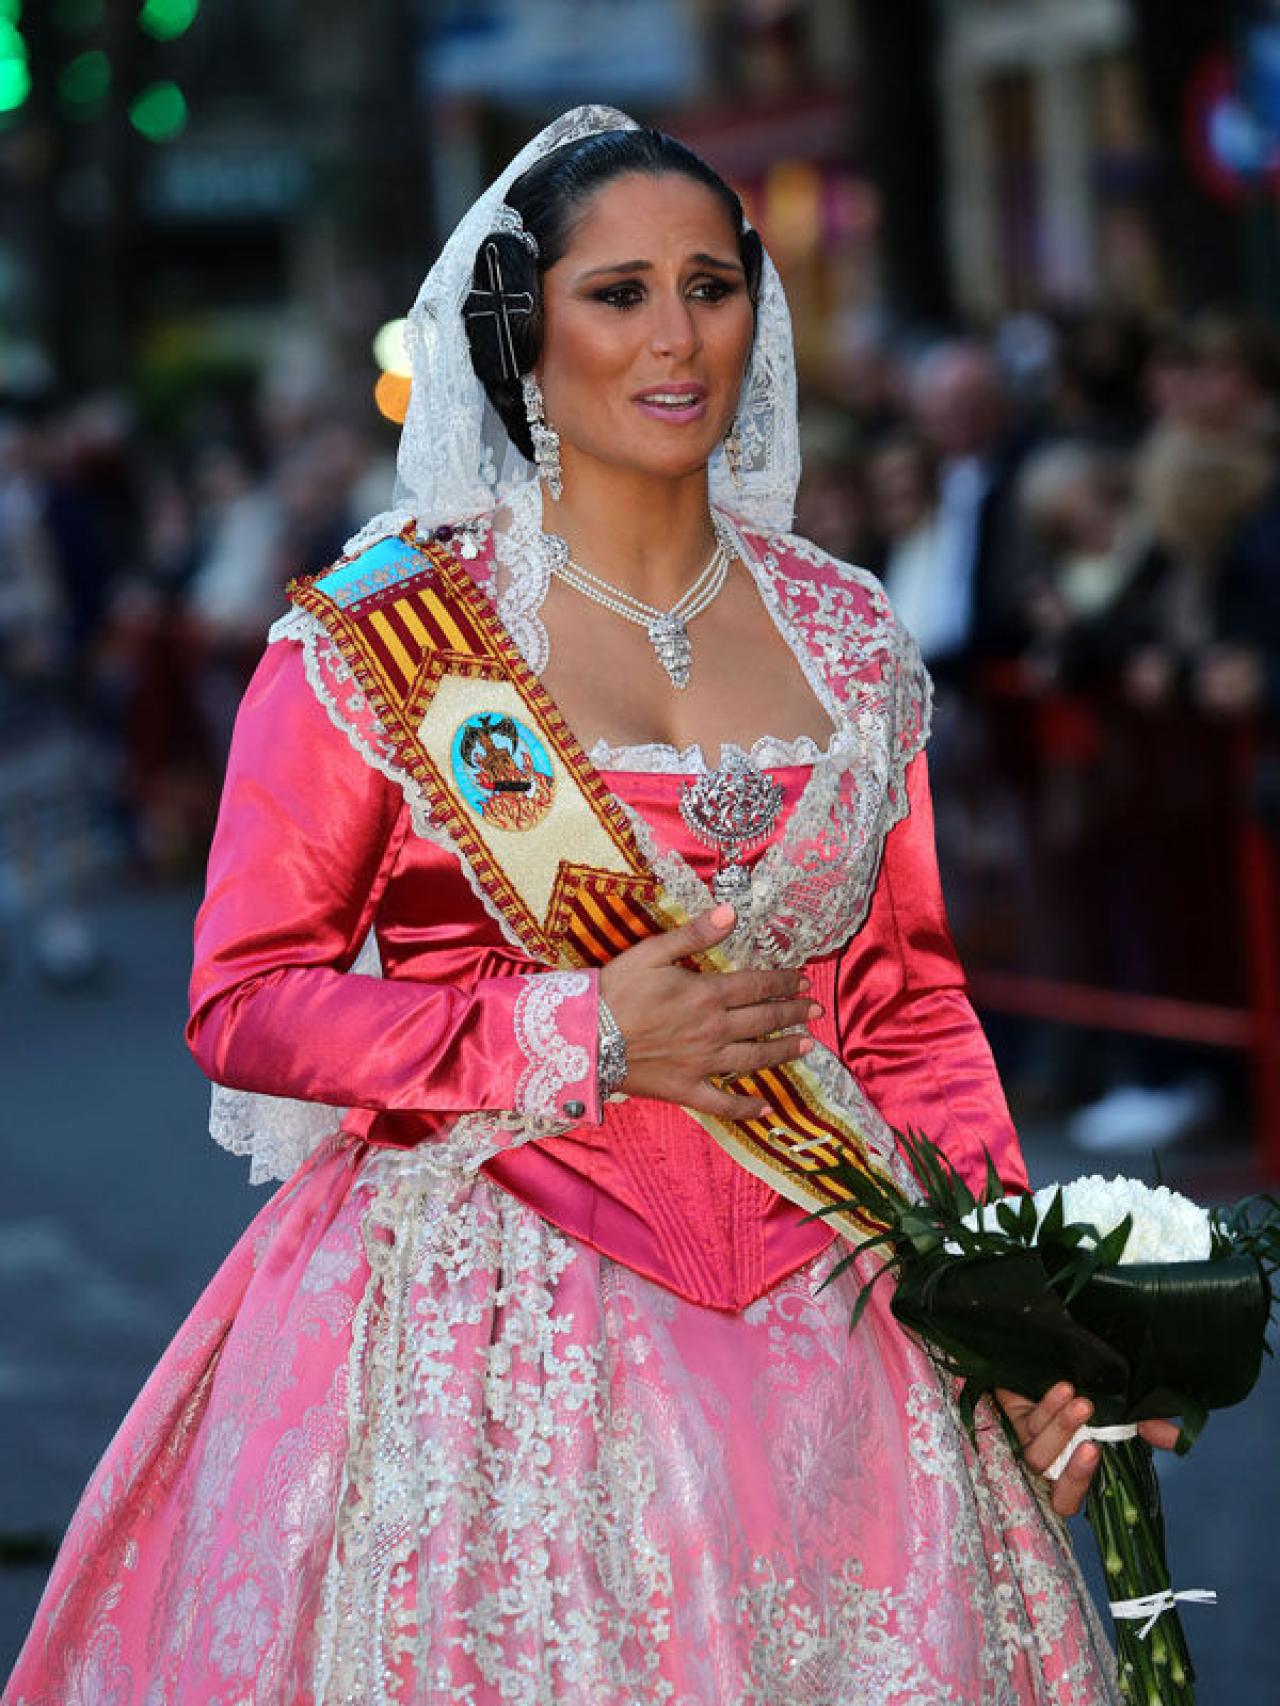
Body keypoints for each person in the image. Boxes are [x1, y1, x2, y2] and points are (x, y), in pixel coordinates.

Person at [5, 107, 1176, 1705]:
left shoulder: (845, 631)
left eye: (712, 283)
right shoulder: (386, 631)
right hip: (491, 1323)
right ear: (518, 327)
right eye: (617, 292)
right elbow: (247, 995)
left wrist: (1019, 1292)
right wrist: (573, 1027)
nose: (675, 334)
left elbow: (906, 1006)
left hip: (847, 1314)